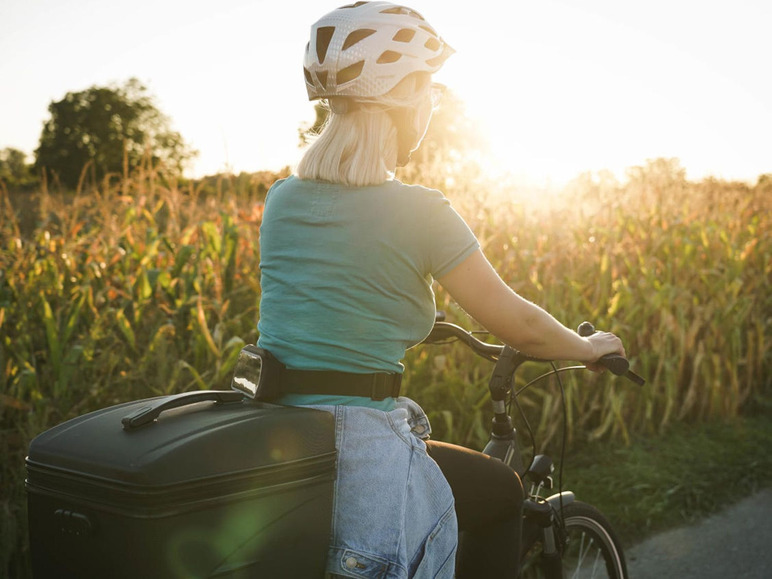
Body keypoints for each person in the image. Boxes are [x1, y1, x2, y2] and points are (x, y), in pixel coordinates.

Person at [257, 2, 626, 577]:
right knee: (502, 491)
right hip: (362, 445)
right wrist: (590, 348)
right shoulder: (420, 211)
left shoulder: (281, 200)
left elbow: (333, 298)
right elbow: (519, 324)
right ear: (405, 97)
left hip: (277, 429)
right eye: (428, 89)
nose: (431, 104)